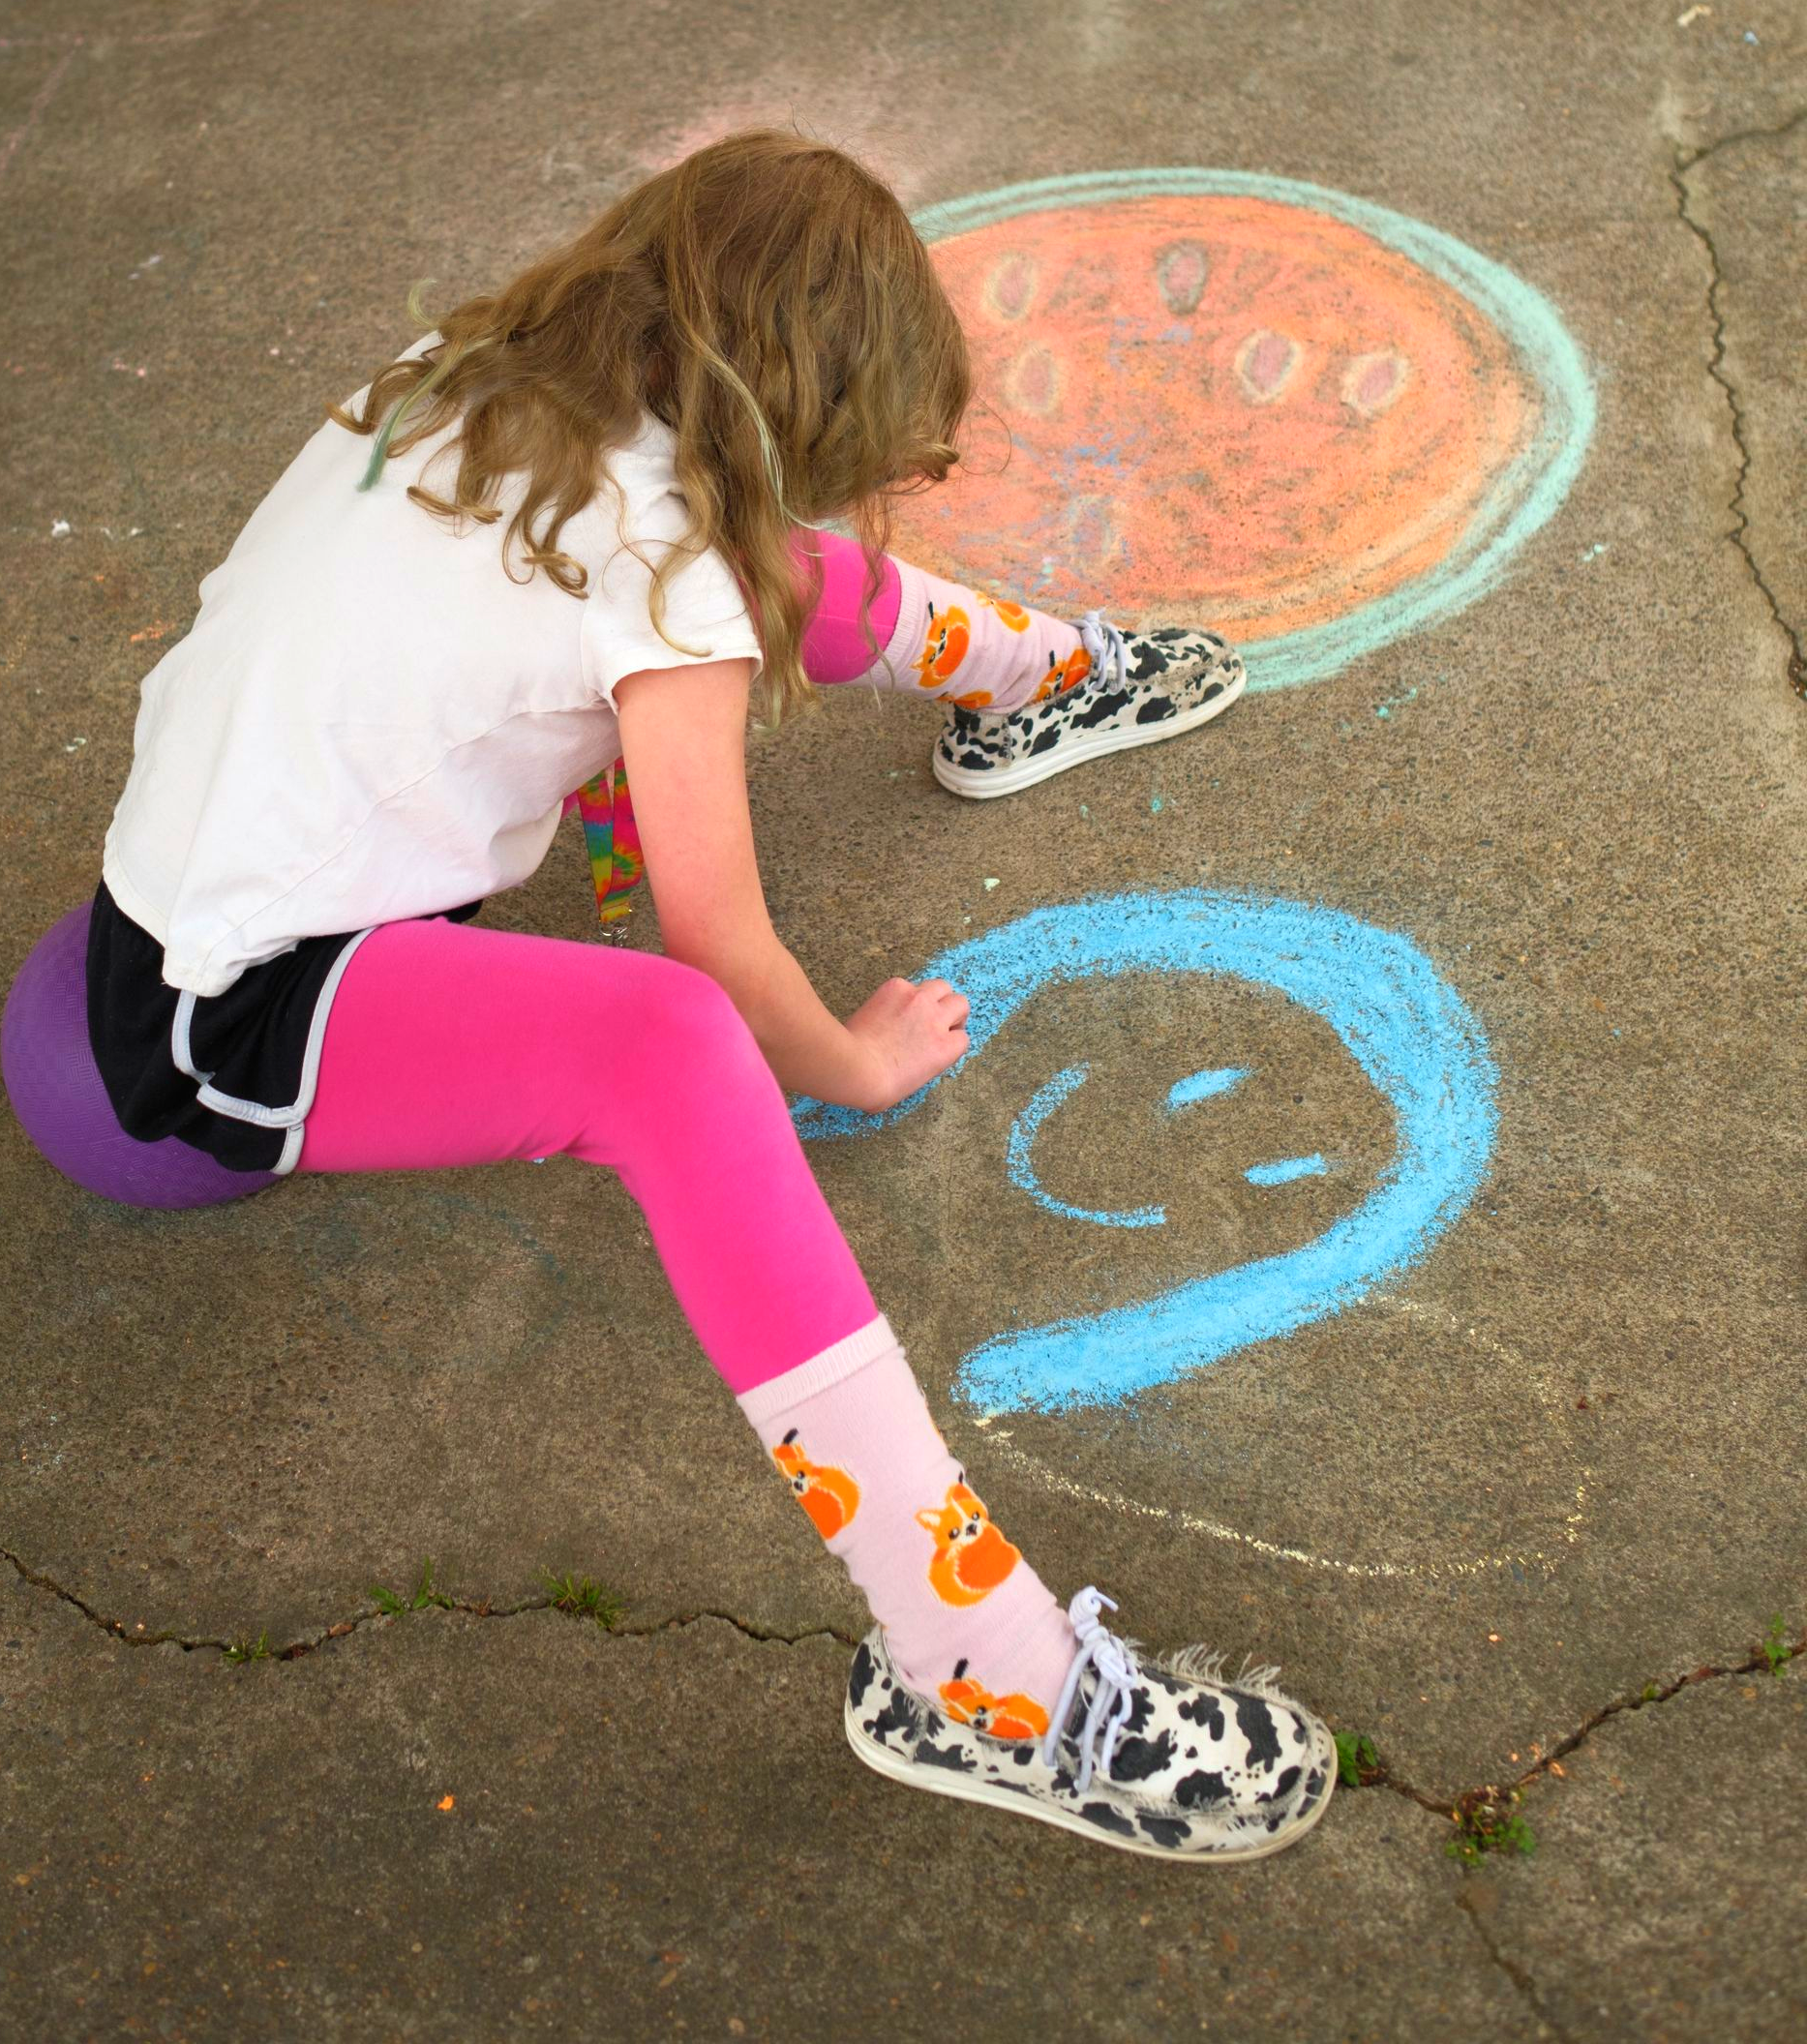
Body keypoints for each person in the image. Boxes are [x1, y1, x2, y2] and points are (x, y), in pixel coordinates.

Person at [84, 129, 1334, 1859]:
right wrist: (858, 1065)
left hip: (192, 896)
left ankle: (1053, 669)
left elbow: (713, 582)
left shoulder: (466, 380)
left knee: (769, 572)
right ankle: (989, 1678)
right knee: (675, 1053)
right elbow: (718, 948)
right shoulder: (668, 575)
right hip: (221, 1021)